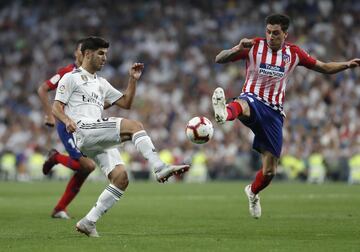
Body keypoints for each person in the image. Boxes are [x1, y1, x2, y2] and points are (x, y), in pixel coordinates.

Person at [212, 14, 360, 219]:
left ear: (285, 34)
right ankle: (224, 113)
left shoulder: (294, 53)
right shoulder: (253, 45)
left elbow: (323, 67)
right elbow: (219, 59)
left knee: (270, 171)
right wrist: (238, 48)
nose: (271, 36)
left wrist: (347, 65)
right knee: (244, 104)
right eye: (268, 32)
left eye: (276, 33)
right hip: (252, 99)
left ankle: (253, 192)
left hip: (274, 114)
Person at [52, 36, 190, 237]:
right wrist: (67, 121)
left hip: (95, 136)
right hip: (84, 129)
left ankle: (88, 222)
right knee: (134, 126)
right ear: (87, 54)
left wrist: (132, 80)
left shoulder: (101, 83)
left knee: (121, 178)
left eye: (106, 54)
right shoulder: (71, 78)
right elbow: (56, 107)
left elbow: (126, 102)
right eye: (101, 53)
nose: (105, 58)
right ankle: (160, 168)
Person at [37, 39, 97, 219]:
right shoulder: (66, 72)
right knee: (88, 165)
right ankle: (55, 157)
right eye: (82, 50)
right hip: (66, 124)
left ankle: (60, 208)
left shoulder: (90, 75)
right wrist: (49, 114)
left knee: (85, 169)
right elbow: (42, 88)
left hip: (82, 126)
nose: (85, 53)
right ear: (77, 53)